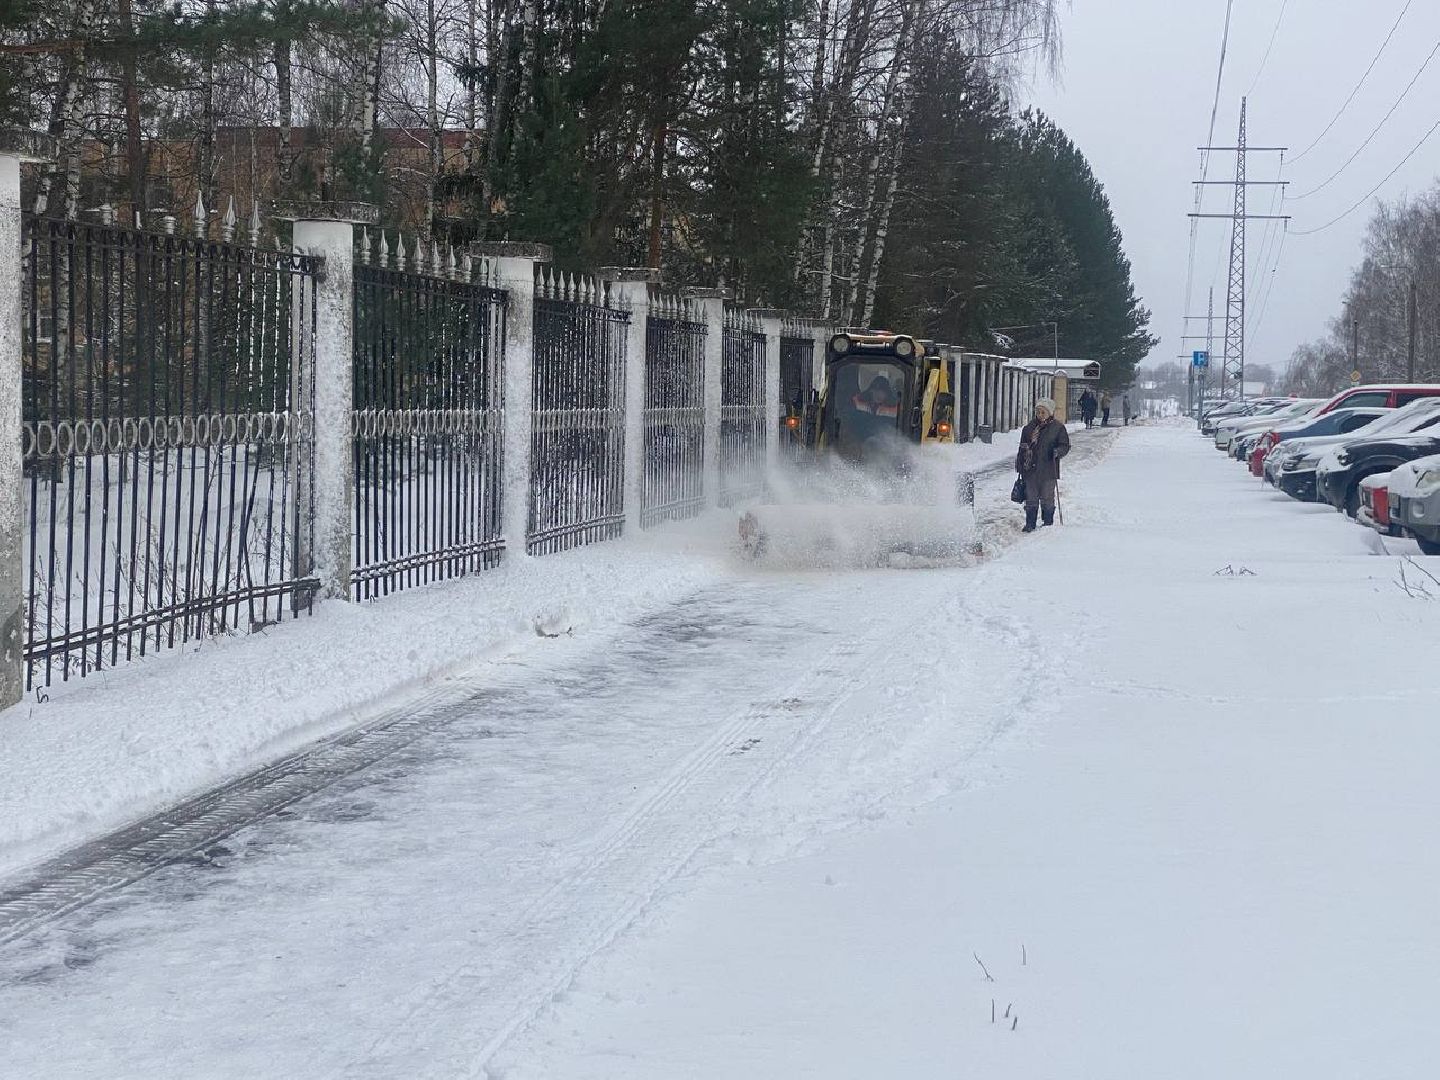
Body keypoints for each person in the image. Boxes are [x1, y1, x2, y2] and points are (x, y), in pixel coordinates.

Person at [1015, 397, 1070, 532]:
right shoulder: (1029, 428)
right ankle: (1030, 524)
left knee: (1047, 497)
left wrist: (1058, 451)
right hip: (1030, 469)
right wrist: (1020, 463)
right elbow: (1022, 447)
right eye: (1038, 412)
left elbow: (1065, 445)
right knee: (1031, 498)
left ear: (1050, 413)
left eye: (1043, 412)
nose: (1040, 415)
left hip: (1048, 469)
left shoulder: (1058, 428)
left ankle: (1048, 523)